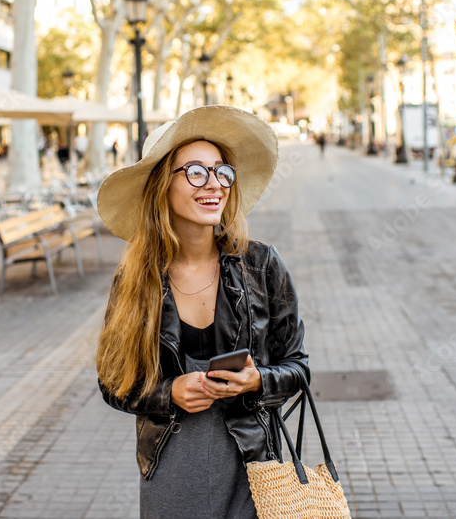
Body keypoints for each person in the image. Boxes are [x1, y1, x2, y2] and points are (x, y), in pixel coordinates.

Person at [95, 106, 308, 519]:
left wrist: (257, 380)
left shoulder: (262, 266)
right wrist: (168, 393)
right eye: (196, 172)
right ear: (163, 187)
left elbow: (298, 367)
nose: (214, 184)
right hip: (170, 476)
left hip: (254, 473)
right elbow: (112, 384)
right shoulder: (138, 279)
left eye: (222, 172)